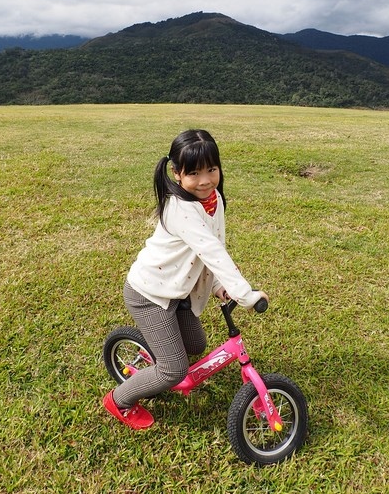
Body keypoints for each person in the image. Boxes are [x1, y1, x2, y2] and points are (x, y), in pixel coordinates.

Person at [103, 129, 268, 429]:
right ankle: (119, 400)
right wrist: (244, 293)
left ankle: (159, 353)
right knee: (174, 370)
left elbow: (211, 246)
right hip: (150, 293)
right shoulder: (180, 209)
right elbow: (212, 250)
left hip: (177, 292)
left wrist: (218, 285)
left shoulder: (213, 199)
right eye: (194, 173)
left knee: (195, 344)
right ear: (177, 174)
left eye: (211, 169)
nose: (205, 180)